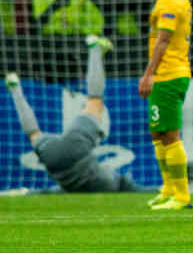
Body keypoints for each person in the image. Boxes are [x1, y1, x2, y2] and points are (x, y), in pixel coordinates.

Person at [4, 35, 147, 193]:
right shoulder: (111, 183)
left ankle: (94, 49)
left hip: (72, 150)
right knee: (34, 134)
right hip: (65, 162)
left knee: (94, 100)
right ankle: (15, 89)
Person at [139, 0, 193, 210]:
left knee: (170, 134)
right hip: (165, 74)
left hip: (170, 74)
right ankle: (168, 188)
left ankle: (181, 196)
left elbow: (163, 41)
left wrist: (148, 74)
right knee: (157, 132)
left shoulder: (171, 1)